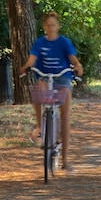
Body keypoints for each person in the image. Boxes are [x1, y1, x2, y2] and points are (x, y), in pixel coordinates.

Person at [19, 11, 84, 171]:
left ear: (58, 26)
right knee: (37, 91)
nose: (51, 27)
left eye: (53, 25)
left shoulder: (64, 42)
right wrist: (27, 67)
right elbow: (32, 59)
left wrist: (77, 67)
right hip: (44, 76)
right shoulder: (39, 43)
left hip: (62, 78)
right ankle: (40, 127)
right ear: (44, 27)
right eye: (48, 25)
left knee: (65, 116)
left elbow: (74, 60)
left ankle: (65, 160)